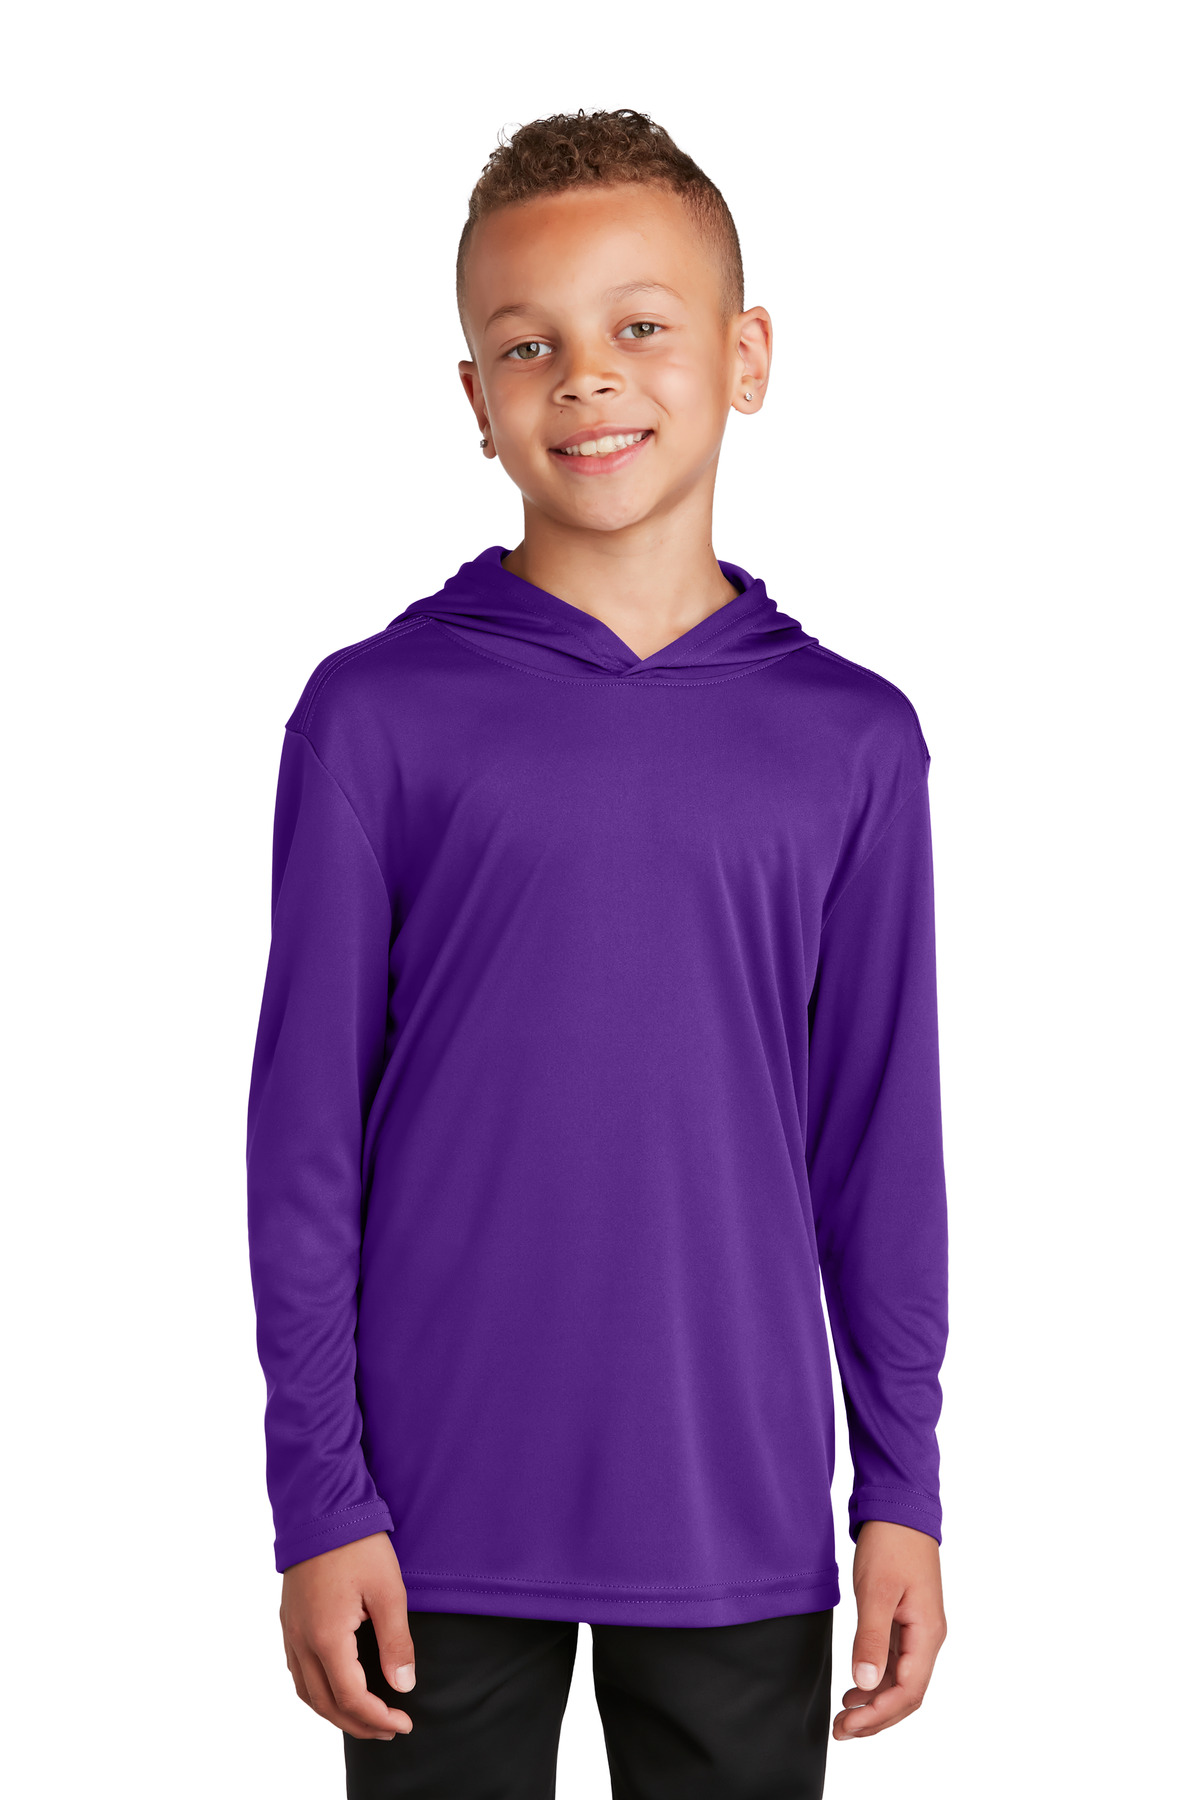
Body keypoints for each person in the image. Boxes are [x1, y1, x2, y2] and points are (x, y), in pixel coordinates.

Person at [246, 107, 949, 1798]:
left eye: (640, 324)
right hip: (426, 1516)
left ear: (746, 355)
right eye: (529, 345)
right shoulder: (373, 717)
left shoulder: (853, 740)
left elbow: (879, 1142)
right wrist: (319, 1498)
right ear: (475, 397)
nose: (587, 379)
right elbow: (304, 1141)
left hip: (734, 1503)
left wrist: (903, 1488)